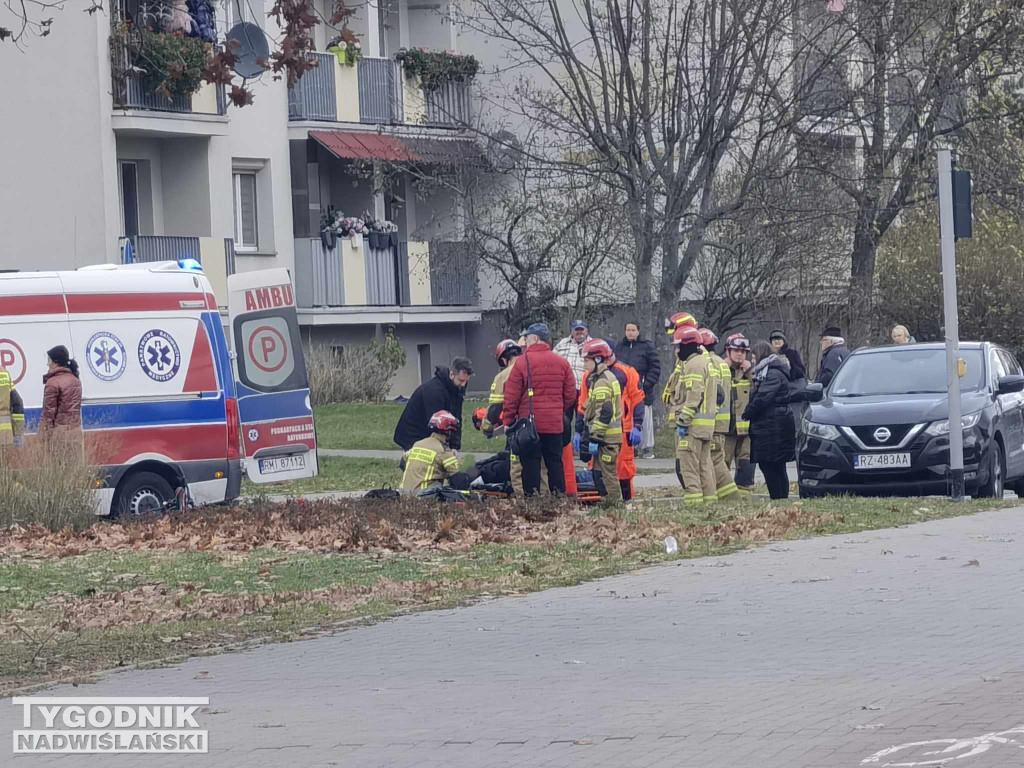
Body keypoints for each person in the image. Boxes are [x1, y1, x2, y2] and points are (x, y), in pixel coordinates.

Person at [502, 323, 576, 496]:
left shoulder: (522, 363)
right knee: (555, 463)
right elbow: (571, 394)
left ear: (534, 339)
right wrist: (558, 409)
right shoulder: (562, 363)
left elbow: (511, 396)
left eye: (527, 338)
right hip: (555, 424)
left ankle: (533, 503)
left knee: (531, 464)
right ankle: (559, 500)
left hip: (529, 425)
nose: (525, 342)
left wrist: (508, 420)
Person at [578, 340, 645, 500]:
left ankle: (625, 503)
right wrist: (579, 431)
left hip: (623, 430)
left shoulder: (626, 372)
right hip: (601, 431)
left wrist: (638, 425)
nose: (585, 364)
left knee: (622, 470)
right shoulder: (590, 377)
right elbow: (584, 404)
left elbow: (637, 399)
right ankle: (610, 504)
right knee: (600, 471)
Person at [473, 339, 536, 495]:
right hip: (541, 424)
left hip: (517, 428)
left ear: (503, 359)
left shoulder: (504, 376)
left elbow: (495, 408)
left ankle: (521, 501)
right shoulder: (533, 368)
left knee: (515, 468)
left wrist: (487, 427)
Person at [667, 325, 717, 505]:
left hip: (693, 427)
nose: (677, 350)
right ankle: (710, 504)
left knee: (689, 469)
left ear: (688, 346)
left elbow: (694, 397)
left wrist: (683, 422)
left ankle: (694, 506)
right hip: (706, 427)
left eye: (679, 346)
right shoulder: (706, 363)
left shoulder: (693, 365)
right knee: (704, 467)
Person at [743, 348, 796, 500]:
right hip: (775, 424)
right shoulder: (772, 371)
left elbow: (762, 398)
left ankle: (778, 498)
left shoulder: (771, 374)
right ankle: (781, 498)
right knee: (777, 465)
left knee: (769, 464)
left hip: (772, 426)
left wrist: (748, 412)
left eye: (754, 357)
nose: (752, 361)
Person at [577, 339, 625, 503]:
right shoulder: (601, 378)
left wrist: (595, 437)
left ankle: (614, 505)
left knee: (607, 474)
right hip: (604, 438)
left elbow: (603, 412)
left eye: (587, 360)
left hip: (606, 439)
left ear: (597, 360)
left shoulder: (603, 381)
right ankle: (606, 504)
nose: (585, 364)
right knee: (598, 473)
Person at [394, 357, 473, 452]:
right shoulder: (434, 391)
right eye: (460, 380)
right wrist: (445, 449)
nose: (463, 385)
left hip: (426, 432)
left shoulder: (456, 390)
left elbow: (456, 419)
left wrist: (455, 447)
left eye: (466, 381)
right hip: (413, 434)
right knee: (423, 462)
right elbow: (436, 424)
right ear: (452, 374)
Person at [614, 322, 661, 459]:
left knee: (644, 417)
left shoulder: (647, 346)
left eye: (633, 330)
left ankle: (647, 447)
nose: (630, 333)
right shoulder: (619, 347)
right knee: (627, 417)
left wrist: (647, 384)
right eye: (628, 330)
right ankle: (630, 446)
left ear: (638, 331)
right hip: (623, 390)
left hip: (642, 388)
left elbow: (655, 367)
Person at [700, 329, 738, 501]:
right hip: (721, 422)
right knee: (717, 460)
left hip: (712, 422)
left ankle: (731, 498)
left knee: (715, 461)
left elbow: (717, 394)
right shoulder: (720, 363)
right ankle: (727, 498)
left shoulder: (708, 363)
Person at [400, 410, 470, 491]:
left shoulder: (418, 444)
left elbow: (403, 463)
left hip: (404, 494)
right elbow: (459, 482)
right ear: (449, 432)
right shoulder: (444, 451)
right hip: (425, 497)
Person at [723, 334, 754, 494]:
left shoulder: (752, 371)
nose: (740, 354)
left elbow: (759, 388)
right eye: (736, 350)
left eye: (743, 351)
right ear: (728, 351)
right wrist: (723, 367)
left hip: (746, 430)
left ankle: (744, 495)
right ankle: (725, 495)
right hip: (726, 429)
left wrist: (750, 370)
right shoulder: (719, 370)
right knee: (723, 462)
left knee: (746, 462)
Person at [40, 345, 83, 435]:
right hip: (76, 432)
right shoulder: (76, 380)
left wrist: (42, 433)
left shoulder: (52, 382)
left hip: (60, 434)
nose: (48, 363)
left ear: (55, 362)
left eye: (49, 360)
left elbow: (48, 413)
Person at [553, 319, 592, 392]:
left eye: (582, 329)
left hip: (585, 388)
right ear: (572, 331)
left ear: (586, 331)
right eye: (577, 329)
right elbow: (552, 360)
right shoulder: (562, 343)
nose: (579, 332)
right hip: (565, 389)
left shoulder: (592, 344)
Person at [0, 365, 25, 458]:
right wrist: (18, 434)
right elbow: (18, 403)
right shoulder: (4, 373)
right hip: (6, 435)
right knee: (4, 470)